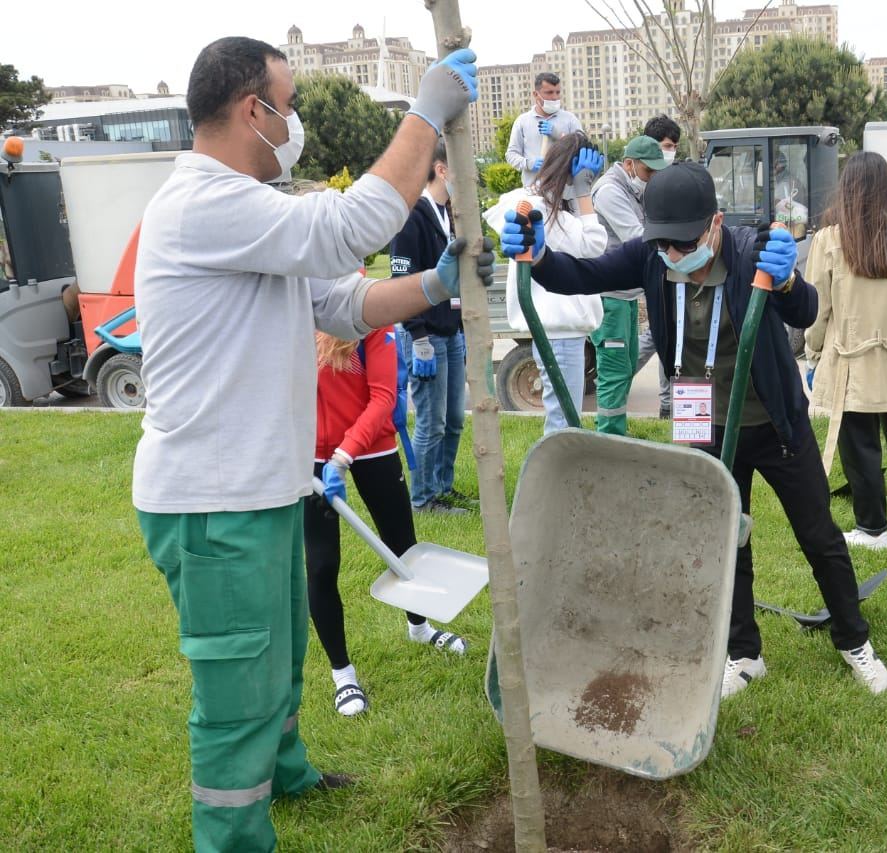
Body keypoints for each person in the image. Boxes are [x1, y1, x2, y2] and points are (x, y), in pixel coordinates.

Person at [131, 36, 485, 852]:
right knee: (236, 687)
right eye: (287, 107)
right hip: (213, 502)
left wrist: (433, 286)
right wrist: (424, 114)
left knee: (280, 649)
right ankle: (233, 833)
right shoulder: (203, 202)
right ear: (253, 111)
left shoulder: (245, 213)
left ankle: (286, 770)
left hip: (258, 490)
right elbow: (346, 227)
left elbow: (342, 302)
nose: (293, 124)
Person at [500, 161, 887, 699]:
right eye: (666, 245)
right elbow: (579, 276)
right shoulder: (650, 258)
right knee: (723, 540)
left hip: (773, 423)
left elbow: (804, 310)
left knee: (818, 534)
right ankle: (744, 653)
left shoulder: (749, 249)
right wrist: (537, 255)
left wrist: (787, 279)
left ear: (716, 222)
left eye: (686, 244)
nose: (676, 256)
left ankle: (854, 640)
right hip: (699, 420)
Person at [306, 329, 468, 717]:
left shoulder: (368, 321)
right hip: (308, 456)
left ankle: (420, 628)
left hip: (372, 449)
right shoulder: (290, 313)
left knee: (402, 547)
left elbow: (382, 397)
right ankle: (343, 675)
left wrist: (344, 456)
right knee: (322, 563)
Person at [804, 152, 887, 552]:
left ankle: (873, 529)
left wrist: (812, 351)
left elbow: (816, 308)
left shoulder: (829, 240)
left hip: (850, 359)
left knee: (859, 443)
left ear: (846, 189)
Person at [487, 131, 606, 433]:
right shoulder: (546, 214)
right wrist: (583, 193)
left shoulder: (533, 203)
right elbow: (594, 245)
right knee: (564, 422)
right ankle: (553, 480)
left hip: (555, 330)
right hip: (561, 330)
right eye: (585, 176)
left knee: (561, 418)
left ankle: (554, 478)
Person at [390, 140, 474, 514]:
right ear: (442, 169)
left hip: (451, 331)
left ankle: (443, 485)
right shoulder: (412, 216)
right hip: (425, 334)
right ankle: (423, 499)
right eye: (462, 170)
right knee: (431, 421)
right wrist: (418, 335)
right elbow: (400, 281)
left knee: (454, 419)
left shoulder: (452, 215)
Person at [590, 135, 670, 434]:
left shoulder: (631, 190)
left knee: (623, 370)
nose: (652, 178)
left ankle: (615, 435)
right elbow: (638, 237)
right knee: (613, 372)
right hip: (609, 298)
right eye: (649, 172)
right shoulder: (610, 191)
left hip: (623, 298)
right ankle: (608, 439)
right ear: (629, 164)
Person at [636, 116, 684, 417]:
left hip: (674, 268)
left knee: (669, 335)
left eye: (674, 147)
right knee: (661, 333)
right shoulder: (641, 183)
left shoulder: (671, 177)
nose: (671, 153)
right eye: (667, 146)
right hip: (656, 271)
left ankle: (670, 406)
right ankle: (614, 379)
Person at [505, 71, 583, 188]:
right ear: (536, 94)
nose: (555, 97)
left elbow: (582, 148)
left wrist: (559, 135)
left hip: (564, 191)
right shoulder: (522, 121)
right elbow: (511, 155)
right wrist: (530, 164)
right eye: (549, 92)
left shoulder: (570, 119)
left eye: (557, 92)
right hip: (533, 191)